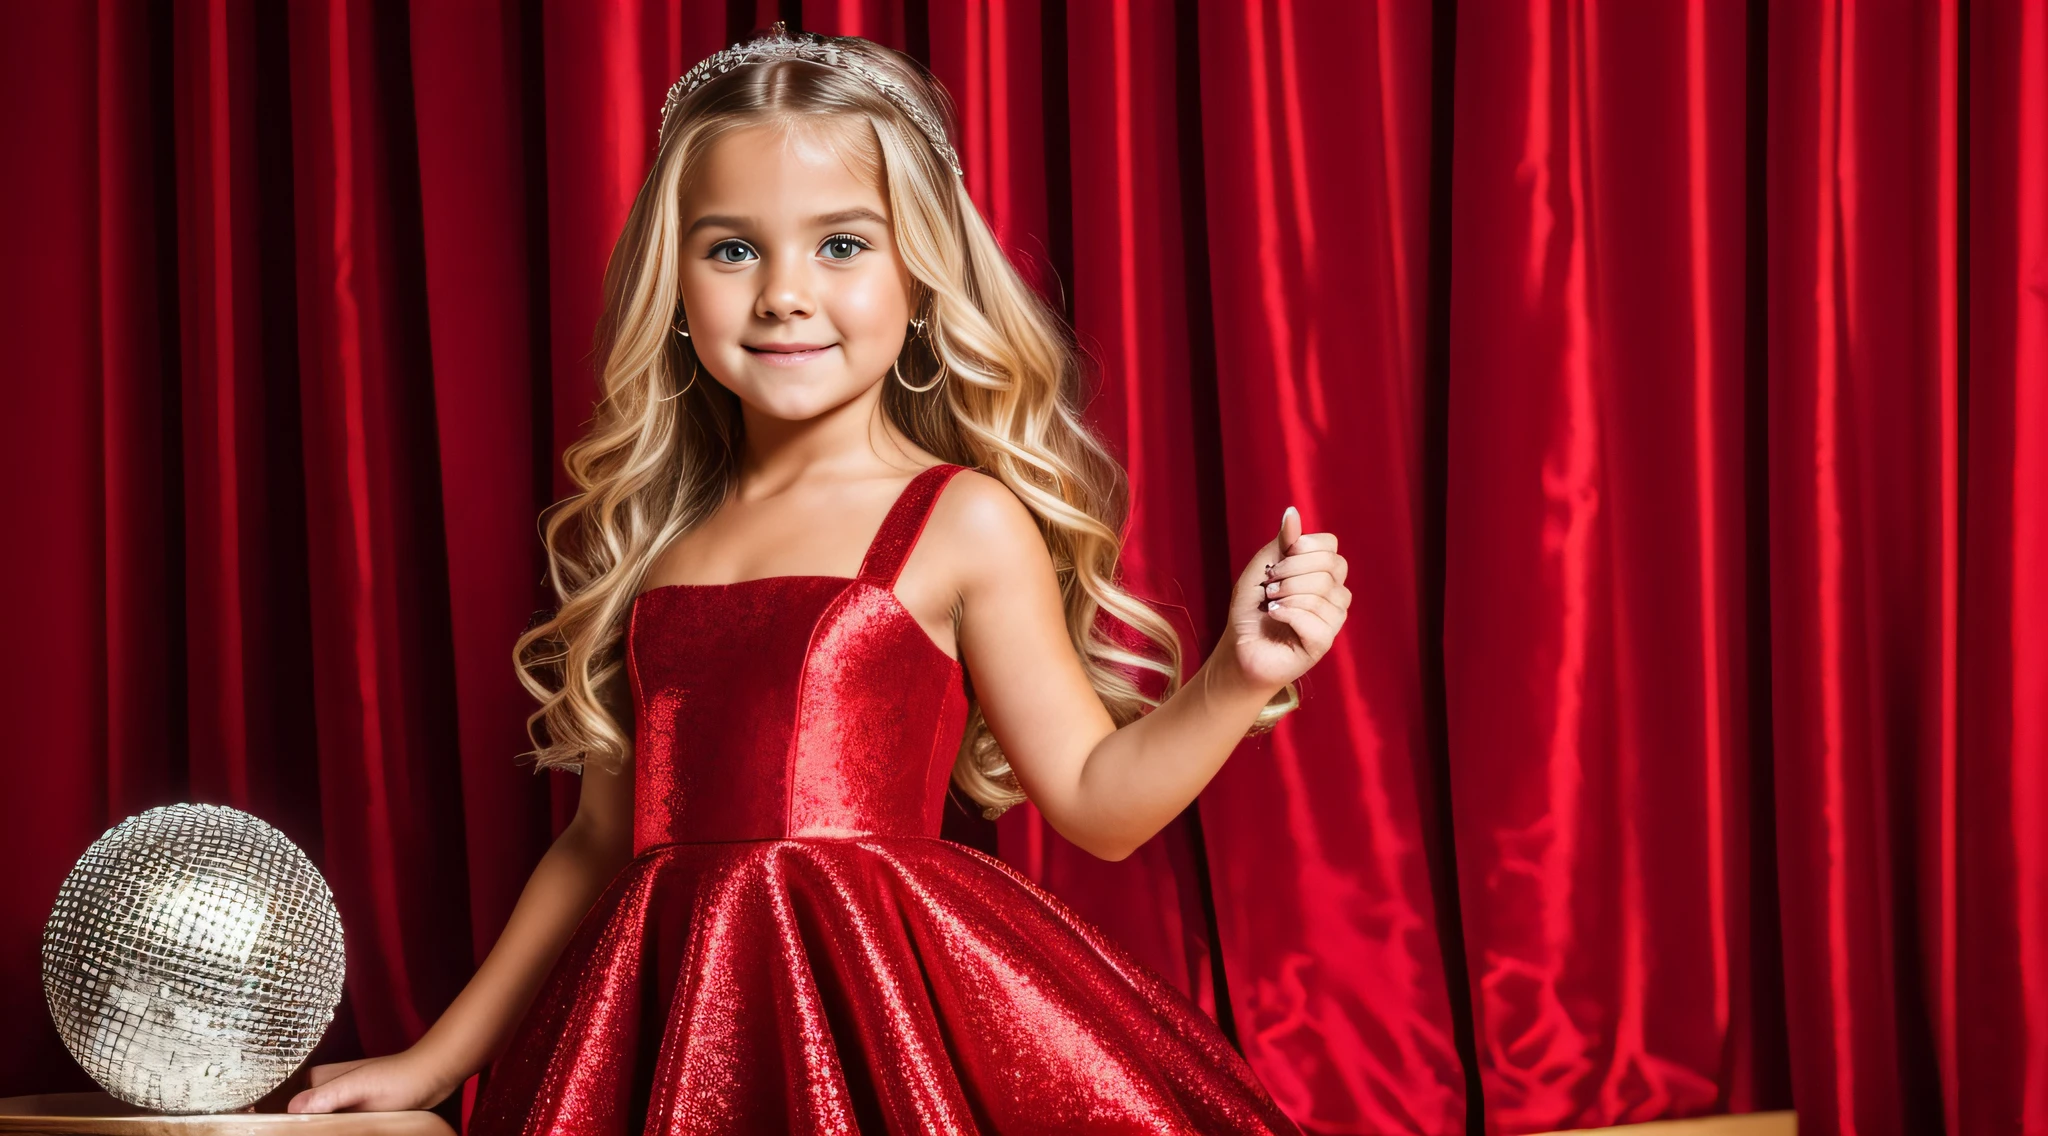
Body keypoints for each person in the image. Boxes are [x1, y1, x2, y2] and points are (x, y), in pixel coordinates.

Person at [286, 22, 1348, 1134]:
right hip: (666, 1018)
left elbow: (1094, 801)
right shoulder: (656, 540)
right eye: (732, 249)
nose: (784, 294)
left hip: (875, 1000)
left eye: (841, 245)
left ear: (922, 278)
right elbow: (598, 842)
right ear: (674, 280)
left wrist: (1235, 675)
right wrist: (429, 1063)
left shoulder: (959, 518)